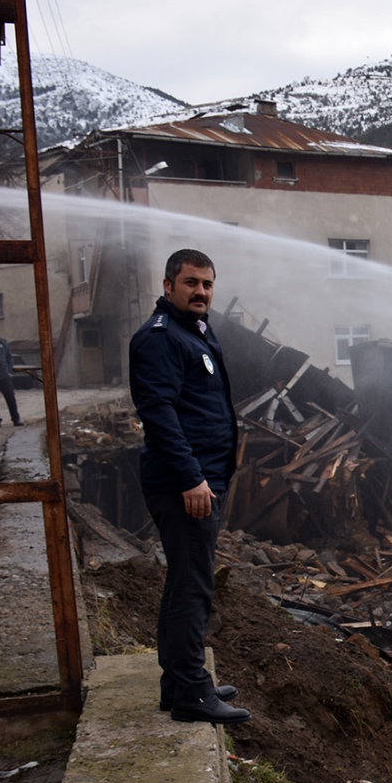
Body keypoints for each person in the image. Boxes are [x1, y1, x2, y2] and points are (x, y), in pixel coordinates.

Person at [128, 249, 249, 725]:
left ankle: (178, 682)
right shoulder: (159, 339)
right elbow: (157, 414)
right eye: (191, 282)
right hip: (186, 487)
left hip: (198, 482)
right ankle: (192, 695)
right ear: (168, 285)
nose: (201, 291)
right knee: (194, 587)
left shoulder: (191, 332)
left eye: (207, 284)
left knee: (183, 583)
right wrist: (192, 478)